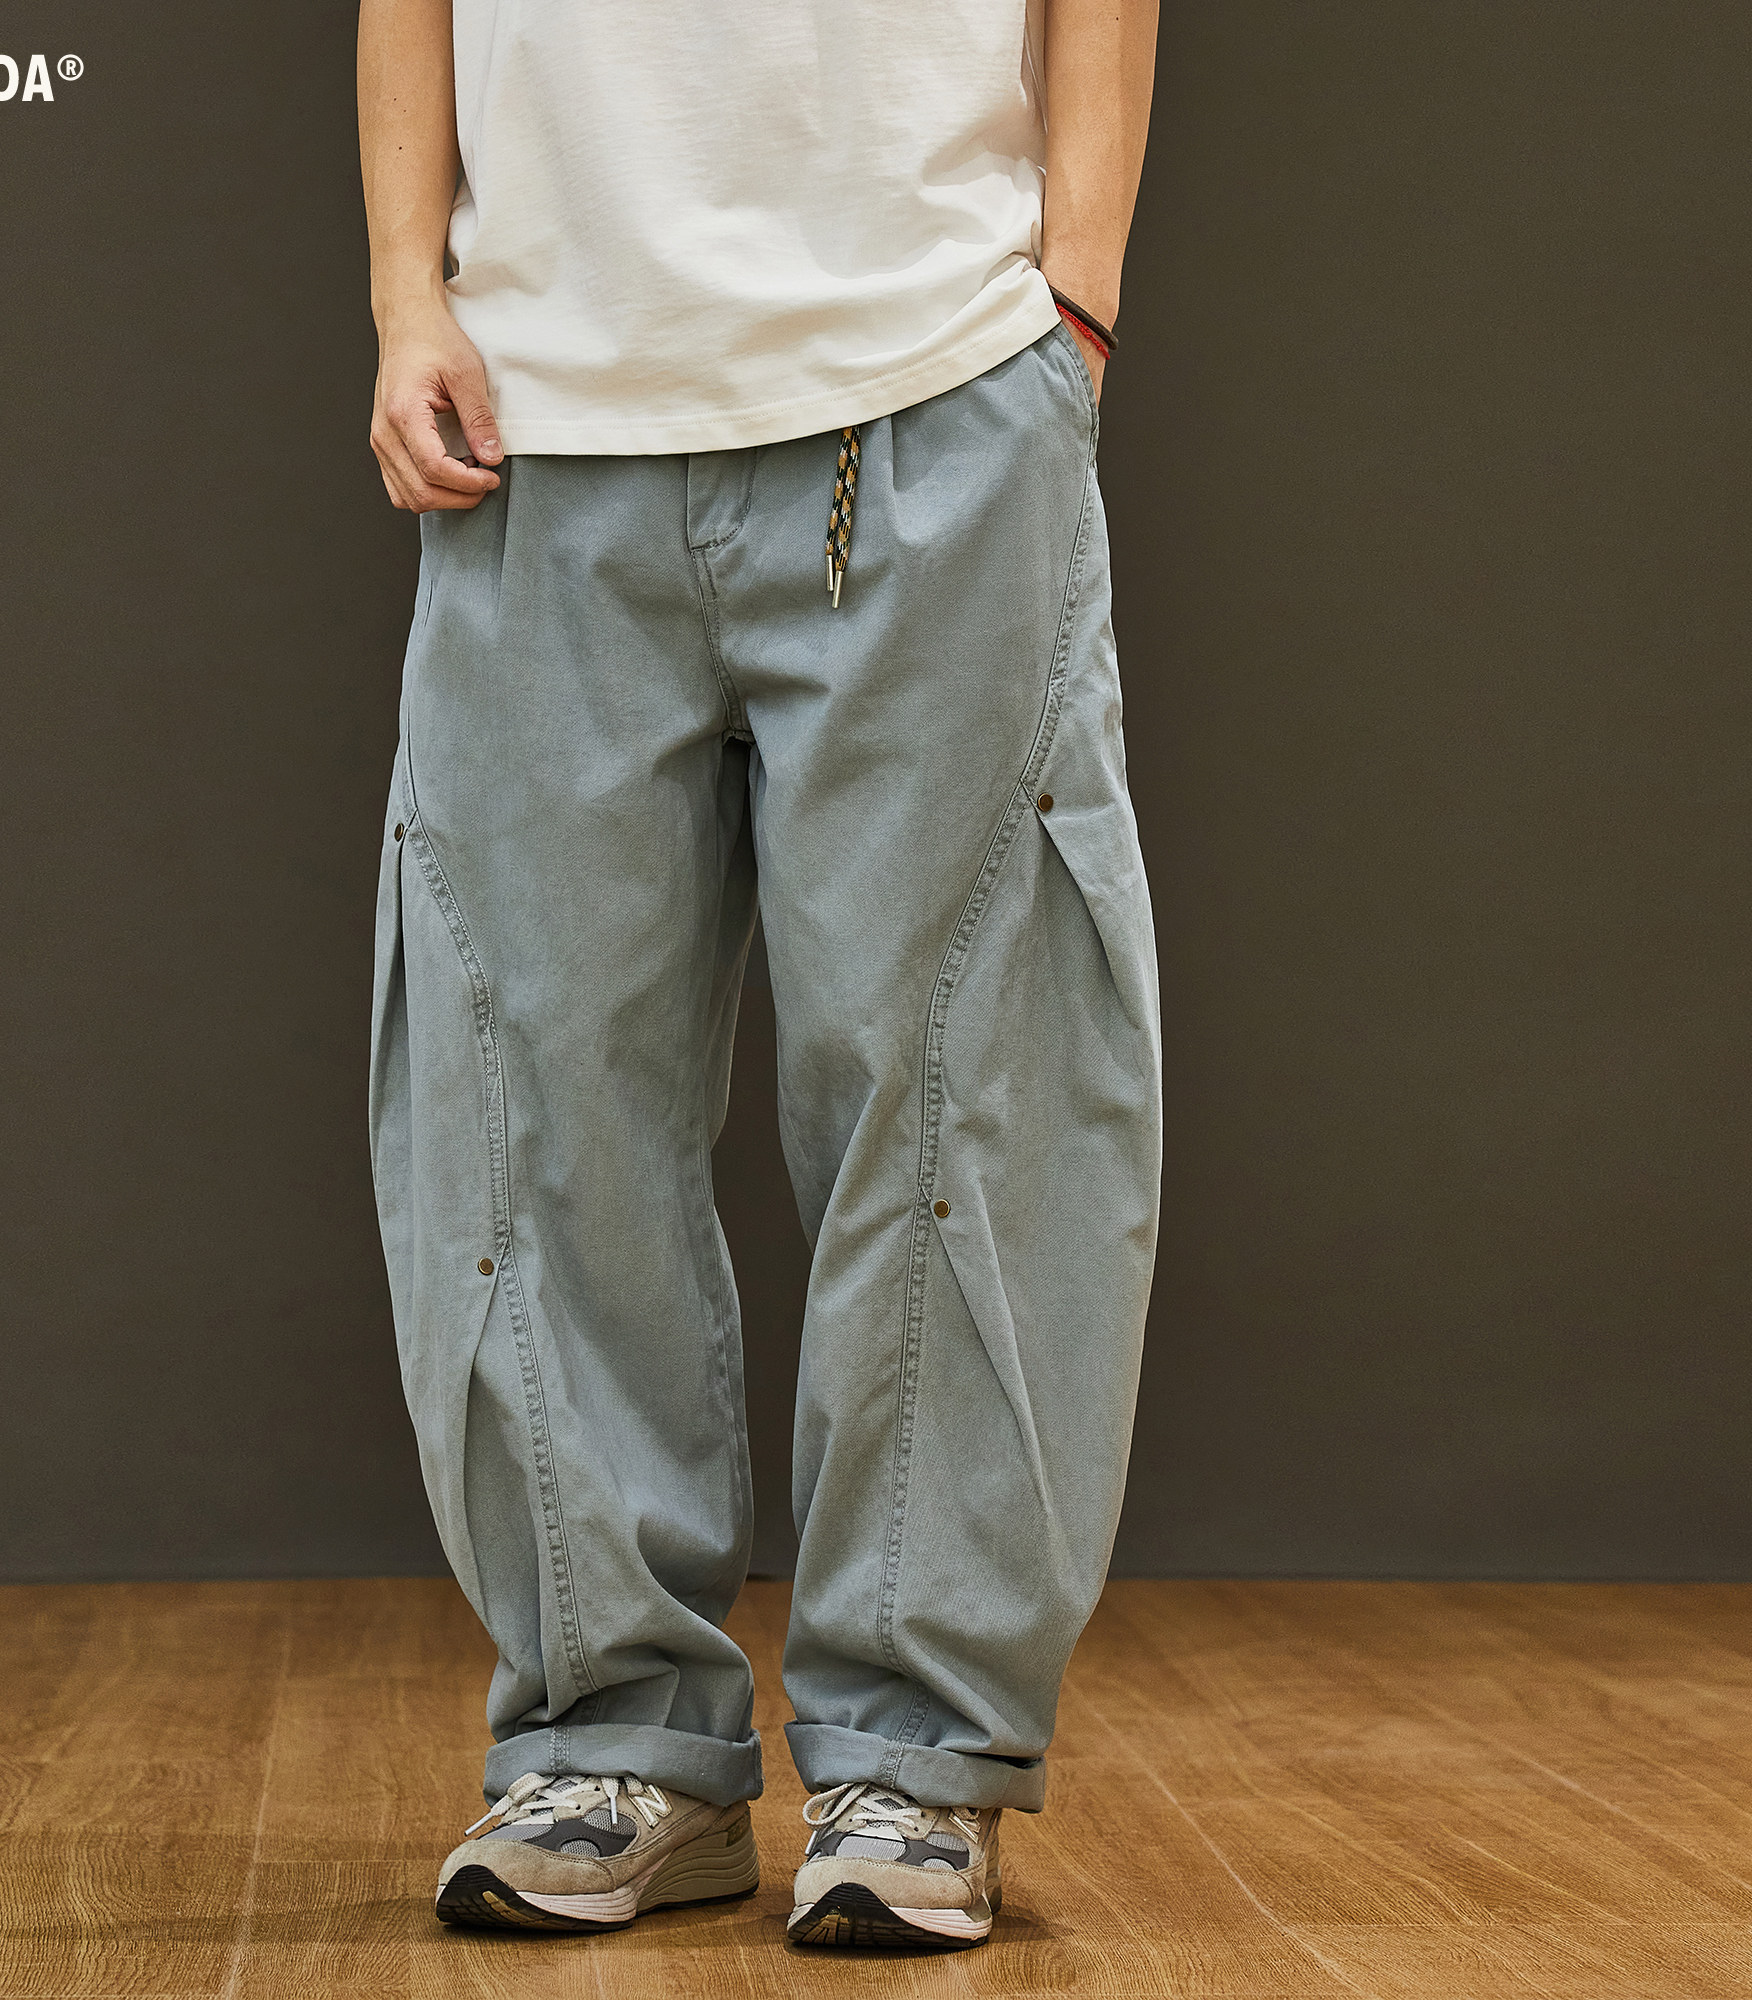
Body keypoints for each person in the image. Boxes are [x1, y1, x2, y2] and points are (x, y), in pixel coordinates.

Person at [359, 0, 1160, 1952]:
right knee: (532, 1098)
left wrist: (1076, 291)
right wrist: (404, 291)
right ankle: (609, 1734)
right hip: (538, 416)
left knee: (955, 1082)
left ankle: (918, 1755)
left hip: (933, 377)